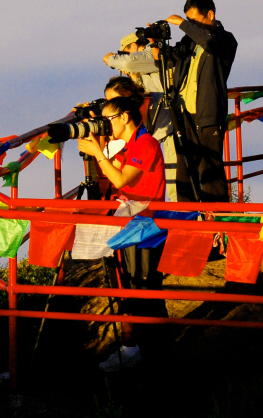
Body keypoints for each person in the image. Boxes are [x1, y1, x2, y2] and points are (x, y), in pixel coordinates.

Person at [77, 96, 166, 371]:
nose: (106, 125)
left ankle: (155, 354)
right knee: (134, 289)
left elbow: (119, 180)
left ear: (125, 117)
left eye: (108, 120)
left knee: (145, 290)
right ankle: (143, 351)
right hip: (135, 224)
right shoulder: (130, 145)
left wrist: (98, 153)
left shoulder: (145, 143)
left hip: (147, 228)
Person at [164, 0, 238, 203]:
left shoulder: (226, 40)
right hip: (184, 114)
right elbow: (170, 58)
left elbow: (210, 44)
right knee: (184, 170)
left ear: (210, 15)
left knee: (210, 170)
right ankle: (186, 222)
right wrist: (156, 43)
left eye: (194, 20)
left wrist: (182, 25)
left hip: (208, 114)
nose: (190, 25)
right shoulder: (190, 41)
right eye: (189, 21)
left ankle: (217, 223)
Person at [104, 35, 179, 201]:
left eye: (126, 52)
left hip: (169, 126)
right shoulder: (148, 63)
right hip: (162, 127)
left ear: (133, 45)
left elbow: (127, 63)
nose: (127, 56)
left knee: (176, 183)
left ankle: (182, 221)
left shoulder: (149, 53)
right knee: (172, 181)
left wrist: (110, 59)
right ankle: (179, 219)